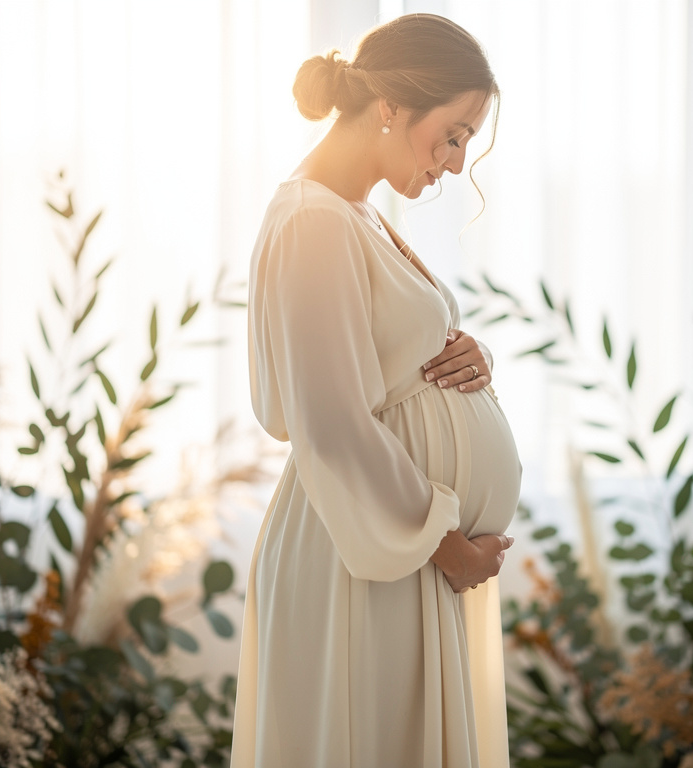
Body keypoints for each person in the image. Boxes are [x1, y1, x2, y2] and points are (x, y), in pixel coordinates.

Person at [232, 13, 522, 768]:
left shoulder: (352, 214)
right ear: (391, 104)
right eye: (454, 134)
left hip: (395, 554)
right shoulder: (310, 222)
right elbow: (330, 423)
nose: (457, 164)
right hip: (370, 556)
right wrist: (446, 544)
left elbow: (384, 360)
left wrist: (468, 354)